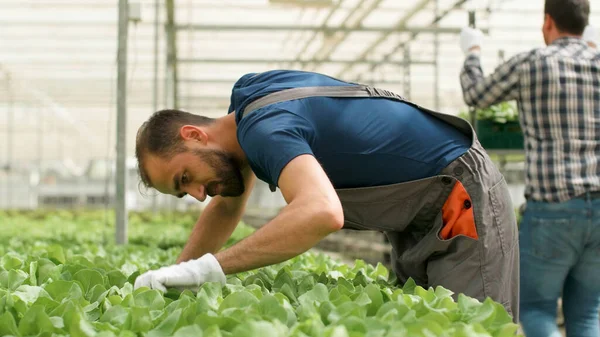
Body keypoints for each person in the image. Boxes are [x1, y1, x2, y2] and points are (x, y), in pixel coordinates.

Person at [132, 69, 519, 321]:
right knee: (430, 322)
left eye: (185, 178)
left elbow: (321, 211)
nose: (198, 194)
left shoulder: (264, 129)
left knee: (472, 325)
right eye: (184, 194)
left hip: (459, 198)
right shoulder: (246, 103)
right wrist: (176, 274)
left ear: (195, 135)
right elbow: (226, 206)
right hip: (415, 218)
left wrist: (209, 269)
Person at [458, 0, 599, 336]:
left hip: (554, 209)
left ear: (547, 21)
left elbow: (476, 94)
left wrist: (473, 52)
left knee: (536, 309)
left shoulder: (532, 63)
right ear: (585, 22)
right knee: (587, 315)